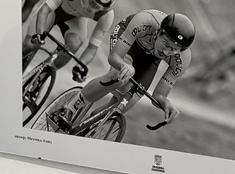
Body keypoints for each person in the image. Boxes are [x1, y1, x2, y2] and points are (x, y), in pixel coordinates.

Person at [49, 10, 194, 130]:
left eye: (174, 50)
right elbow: (114, 57)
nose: (167, 52)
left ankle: (87, 127)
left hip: (150, 59)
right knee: (118, 76)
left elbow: (158, 96)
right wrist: (124, 65)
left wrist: (165, 102)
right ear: (159, 32)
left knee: (123, 105)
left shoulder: (182, 60)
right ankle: (69, 109)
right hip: (130, 39)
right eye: (166, 44)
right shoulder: (144, 22)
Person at [24, 0, 116, 83]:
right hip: (54, 11)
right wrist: (39, 34)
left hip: (75, 19)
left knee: (74, 43)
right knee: (29, 45)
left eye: (98, 8)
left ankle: (40, 78)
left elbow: (92, 48)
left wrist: (80, 66)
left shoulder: (107, 15)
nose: (92, 9)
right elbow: (45, 10)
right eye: (92, 3)